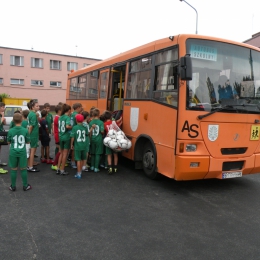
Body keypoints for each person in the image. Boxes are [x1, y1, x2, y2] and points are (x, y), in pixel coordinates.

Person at [7, 113, 32, 191]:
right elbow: (28, 142)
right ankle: (25, 185)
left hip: (13, 152)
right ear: (21, 120)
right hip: (22, 152)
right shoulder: (25, 130)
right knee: (23, 168)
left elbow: (8, 142)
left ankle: (13, 186)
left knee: (13, 169)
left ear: (13, 120)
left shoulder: (10, 130)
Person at [70, 114, 90, 179]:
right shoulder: (84, 127)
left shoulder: (75, 127)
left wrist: (71, 144)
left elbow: (73, 137)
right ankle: (80, 171)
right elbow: (87, 134)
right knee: (82, 159)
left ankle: (78, 173)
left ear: (76, 120)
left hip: (78, 146)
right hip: (84, 145)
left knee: (78, 160)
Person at [57, 104, 72, 175]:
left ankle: (58, 168)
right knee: (65, 154)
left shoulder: (60, 117)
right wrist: (72, 127)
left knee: (61, 153)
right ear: (69, 110)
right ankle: (62, 169)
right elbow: (67, 126)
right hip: (66, 137)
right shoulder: (67, 117)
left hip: (61, 136)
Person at [27, 99, 40, 172]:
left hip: (32, 135)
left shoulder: (30, 113)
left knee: (31, 151)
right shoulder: (33, 115)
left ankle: (30, 165)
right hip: (33, 135)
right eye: (37, 106)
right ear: (32, 107)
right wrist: (28, 135)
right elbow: (31, 126)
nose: (38, 107)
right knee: (32, 151)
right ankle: (30, 167)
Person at [70, 103, 82, 169]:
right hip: (76, 132)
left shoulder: (72, 114)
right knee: (74, 149)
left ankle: (73, 161)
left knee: (73, 149)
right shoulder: (77, 115)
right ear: (77, 108)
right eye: (80, 107)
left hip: (73, 131)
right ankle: (73, 162)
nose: (81, 109)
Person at [51, 104, 62, 171]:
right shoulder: (58, 118)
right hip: (58, 135)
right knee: (60, 150)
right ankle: (55, 164)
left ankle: (58, 161)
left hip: (57, 135)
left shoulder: (57, 117)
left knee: (59, 149)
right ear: (59, 111)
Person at [0, 102, 7, 173]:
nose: (4, 108)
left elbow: (4, 123)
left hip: (1, 133)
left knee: (0, 148)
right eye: (3, 107)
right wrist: (2, 117)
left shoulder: (1, 115)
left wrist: (3, 118)